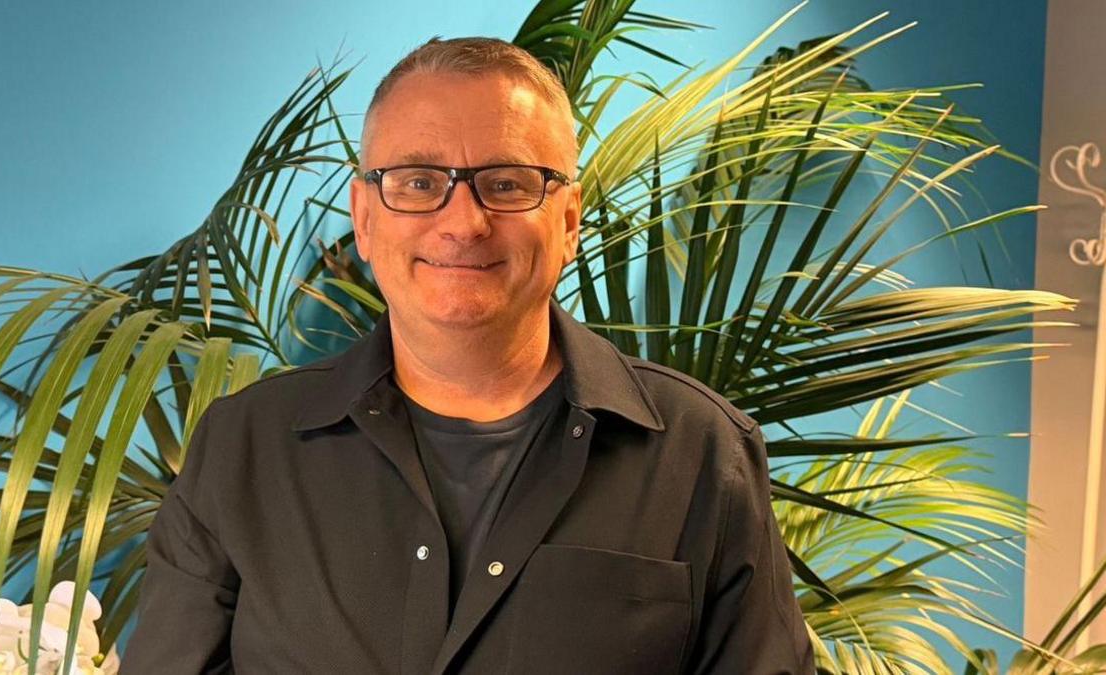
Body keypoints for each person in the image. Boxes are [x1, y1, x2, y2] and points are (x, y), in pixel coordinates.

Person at [120, 36, 815, 674]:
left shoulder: (701, 454)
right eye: (419, 181)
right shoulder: (242, 447)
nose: (463, 221)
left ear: (569, 219)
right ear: (365, 217)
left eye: (508, 182)